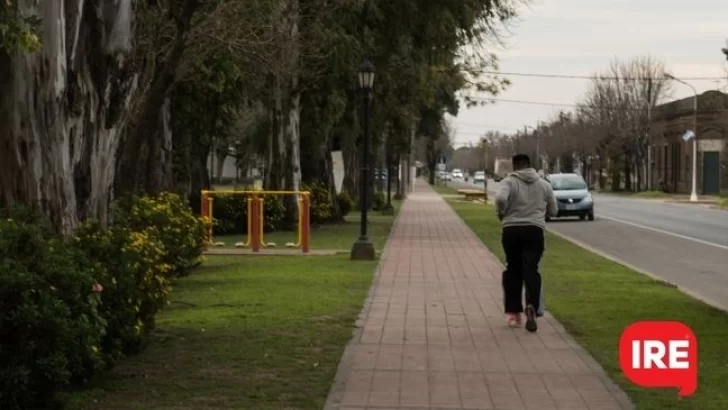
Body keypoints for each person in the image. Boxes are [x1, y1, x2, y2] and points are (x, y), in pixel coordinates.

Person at [494, 153, 557, 332]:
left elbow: (500, 199)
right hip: (534, 230)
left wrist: (501, 212)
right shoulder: (544, 184)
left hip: (511, 230)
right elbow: (554, 209)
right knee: (532, 268)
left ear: (514, 166)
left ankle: (514, 313)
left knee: (513, 269)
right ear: (530, 165)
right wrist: (542, 215)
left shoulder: (509, 182)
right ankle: (532, 305)